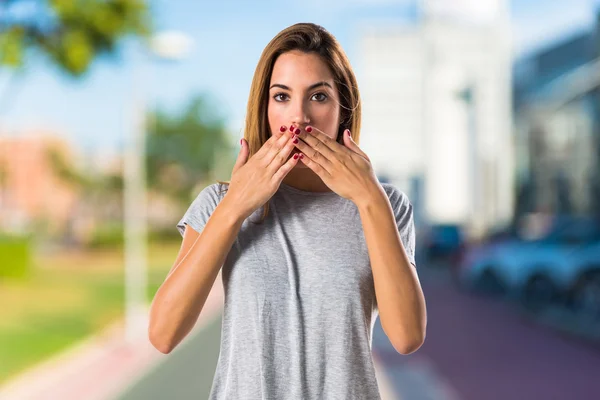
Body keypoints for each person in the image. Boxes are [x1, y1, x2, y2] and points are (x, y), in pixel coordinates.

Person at [148, 22, 427, 399]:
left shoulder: (383, 204)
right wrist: (236, 206)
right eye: (281, 97)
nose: (299, 118)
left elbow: (407, 337)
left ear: (342, 108)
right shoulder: (220, 202)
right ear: (264, 108)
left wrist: (369, 199)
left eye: (318, 96)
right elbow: (163, 334)